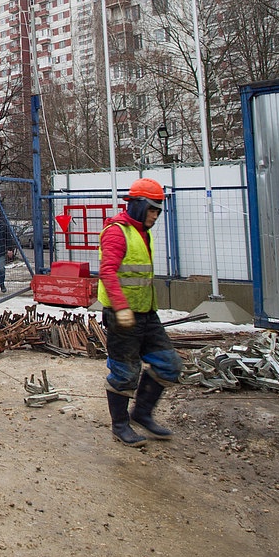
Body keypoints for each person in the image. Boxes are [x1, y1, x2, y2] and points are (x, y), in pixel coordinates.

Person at [98, 178, 182, 447]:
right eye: (151, 210)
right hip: (122, 316)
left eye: (158, 211)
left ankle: (142, 414)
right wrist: (121, 307)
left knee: (168, 364)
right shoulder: (116, 232)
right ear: (137, 205)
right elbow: (107, 271)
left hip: (146, 313)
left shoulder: (142, 233)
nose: (155, 216)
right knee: (125, 373)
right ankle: (120, 425)